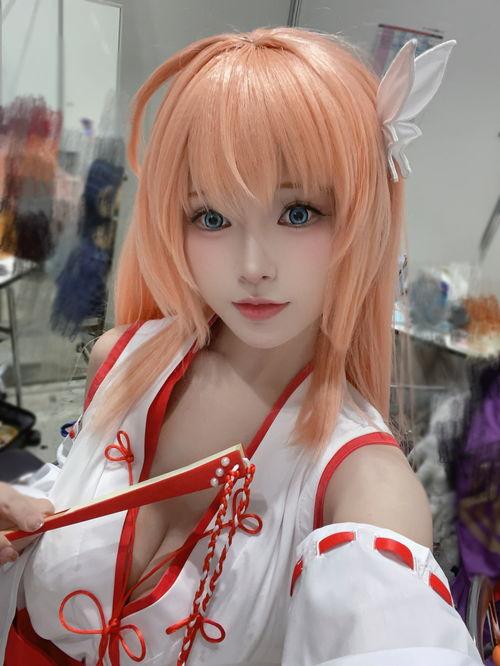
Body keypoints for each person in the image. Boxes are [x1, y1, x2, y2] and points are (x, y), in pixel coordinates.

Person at [0, 27, 483, 665]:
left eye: (299, 212)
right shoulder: (120, 362)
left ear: (365, 217)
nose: (253, 267)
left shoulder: (362, 483)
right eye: (212, 217)